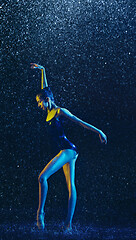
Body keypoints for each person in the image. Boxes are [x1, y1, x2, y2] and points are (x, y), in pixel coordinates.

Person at [31, 63, 107, 231]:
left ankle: (40, 214)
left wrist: (99, 131)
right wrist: (42, 70)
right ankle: (68, 225)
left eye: (39, 102)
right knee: (70, 186)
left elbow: (79, 122)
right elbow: (46, 89)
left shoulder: (60, 111)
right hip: (66, 151)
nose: (38, 105)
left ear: (47, 100)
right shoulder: (48, 110)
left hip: (68, 150)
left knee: (42, 178)